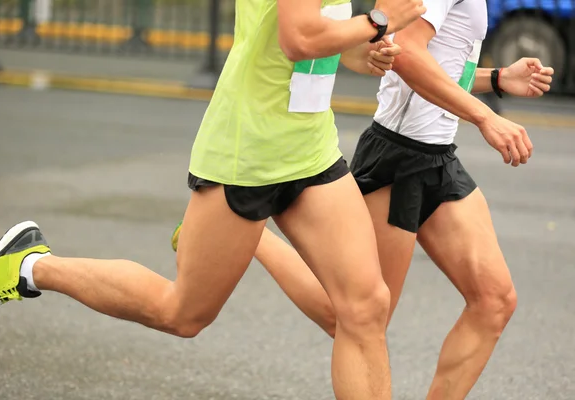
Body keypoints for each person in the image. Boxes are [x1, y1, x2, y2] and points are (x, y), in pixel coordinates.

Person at [0, 1, 427, 399]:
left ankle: (243, 238)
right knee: (182, 314)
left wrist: (363, 50)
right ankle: (28, 264)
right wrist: (380, 20)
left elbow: (319, 37)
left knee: (364, 309)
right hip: (247, 154)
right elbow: (298, 38)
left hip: (310, 151)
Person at [173, 1, 555, 399]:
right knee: (352, 315)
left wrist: (495, 78)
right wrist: (485, 116)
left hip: (439, 154)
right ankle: (248, 235)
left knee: (495, 301)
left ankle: (244, 233)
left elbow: (438, 58)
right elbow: (407, 54)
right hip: (399, 156)